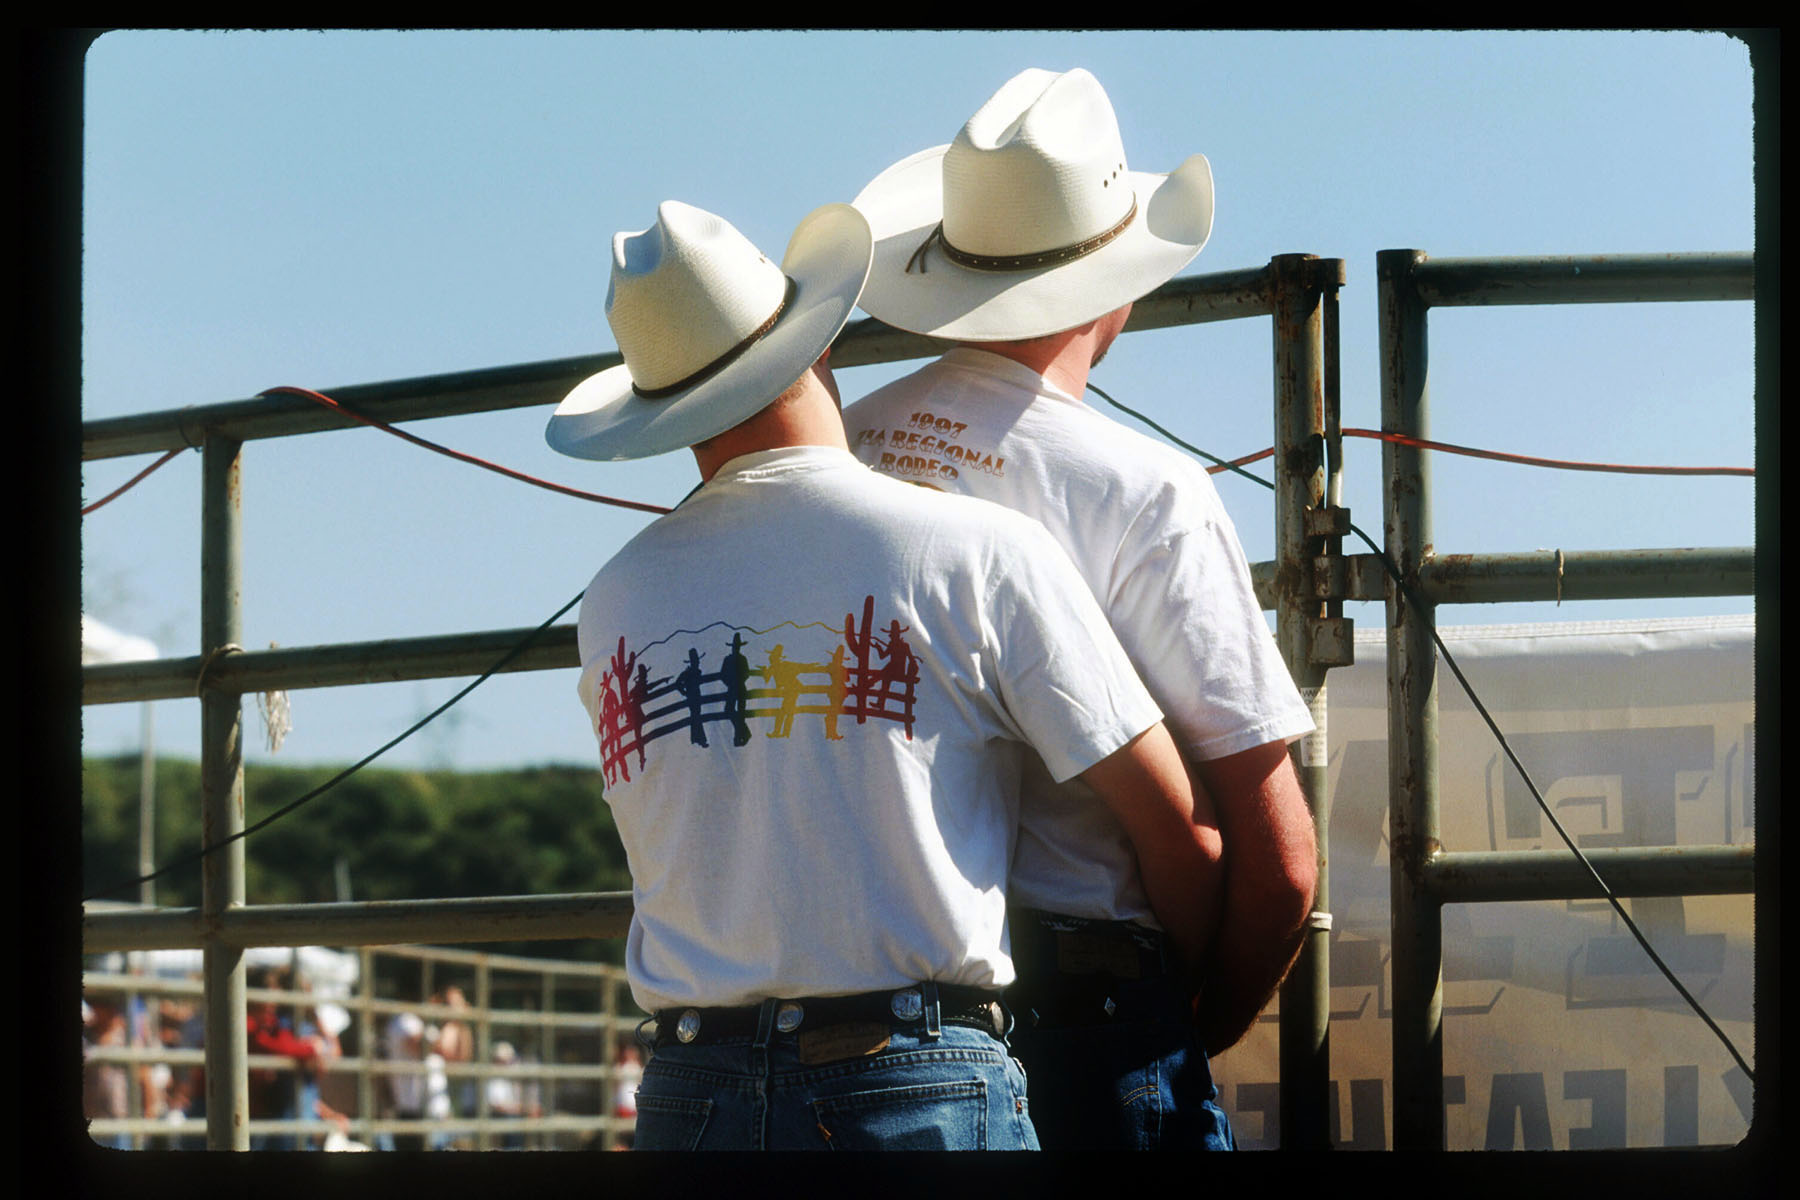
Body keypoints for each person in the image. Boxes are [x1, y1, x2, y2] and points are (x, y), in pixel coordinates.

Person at [544, 198, 1222, 1151]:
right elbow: (1177, 825)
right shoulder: (972, 551)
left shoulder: (615, 598)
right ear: (814, 347)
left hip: (690, 1085)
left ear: (662, 412)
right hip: (908, 1076)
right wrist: (1172, 1015)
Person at [841, 66, 1321, 1150]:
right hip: (1091, 999)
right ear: (1119, 282)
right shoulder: (1144, 492)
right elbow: (1281, 859)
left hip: (880, 1012)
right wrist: (1199, 1021)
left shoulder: (844, 453)